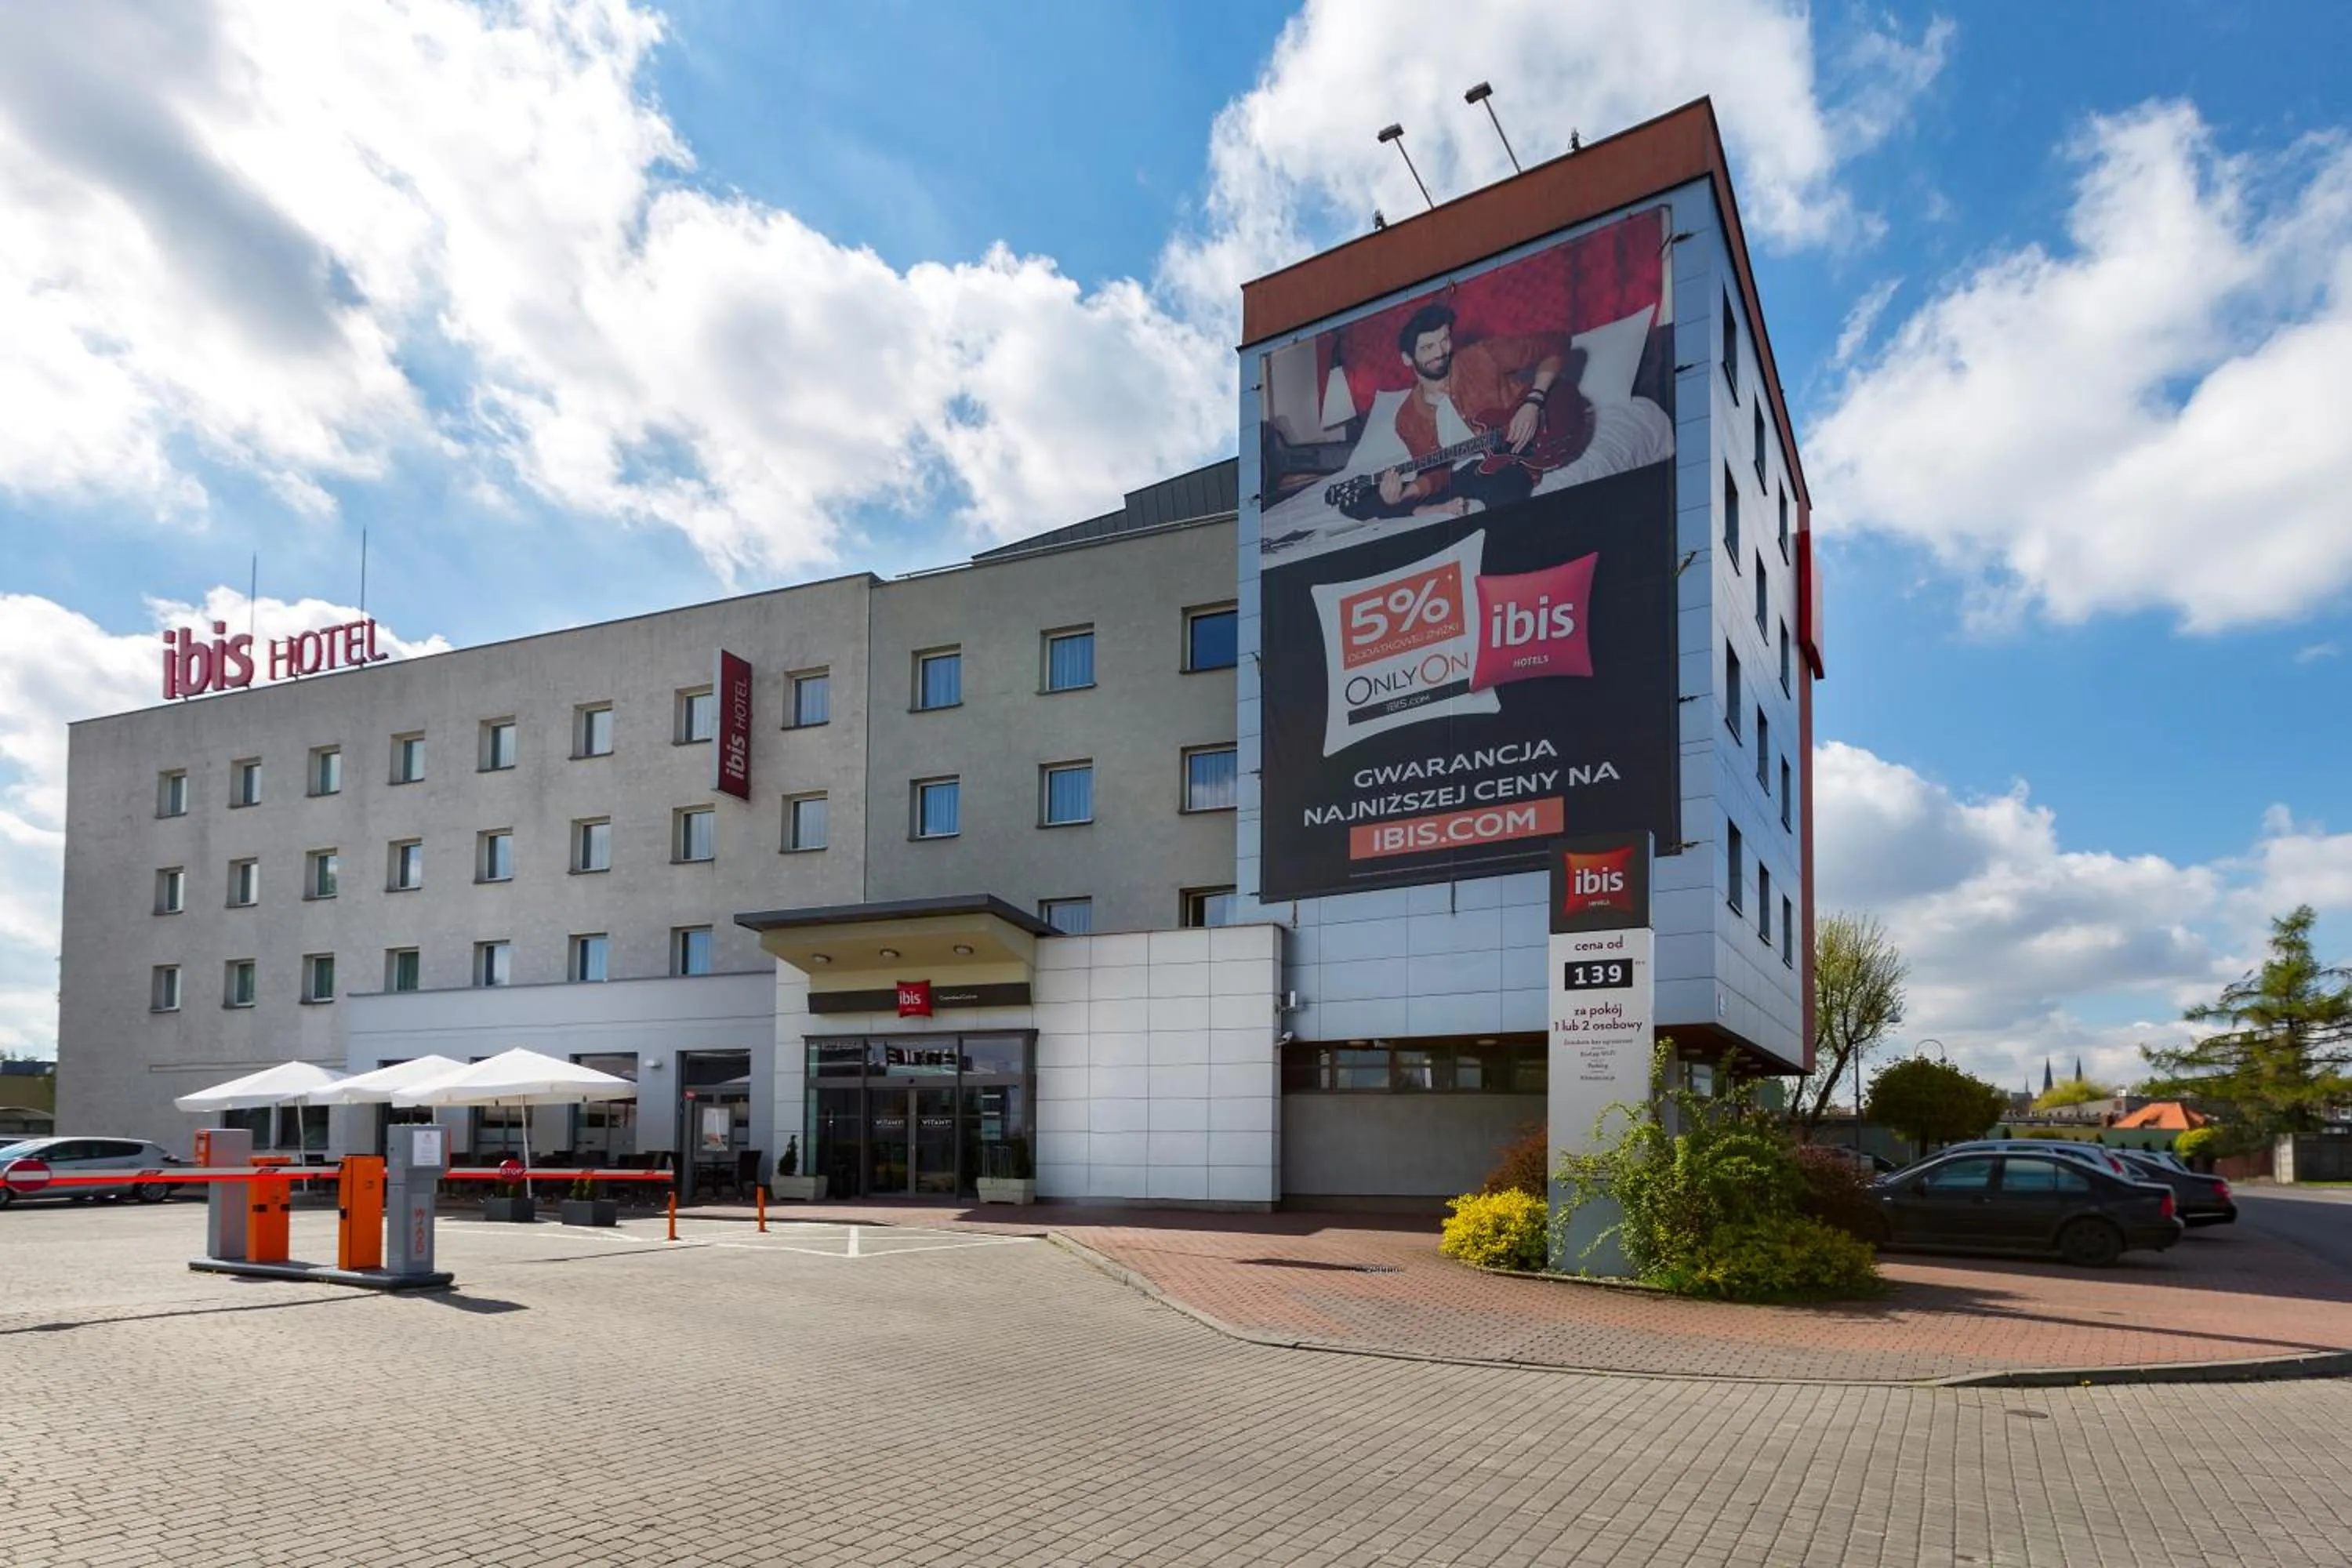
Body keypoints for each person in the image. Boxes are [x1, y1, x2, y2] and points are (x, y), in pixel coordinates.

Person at [1371, 303, 1581, 517]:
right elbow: (1438, 473)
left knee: (1506, 492)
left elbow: (1558, 343)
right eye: (1427, 348)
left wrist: (1533, 402)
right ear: (1407, 358)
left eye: (1444, 340)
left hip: (1515, 460)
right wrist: (1404, 494)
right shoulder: (1407, 418)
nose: (1440, 352)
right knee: (1377, 506)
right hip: (1465, 475)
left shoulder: (1483, 356)